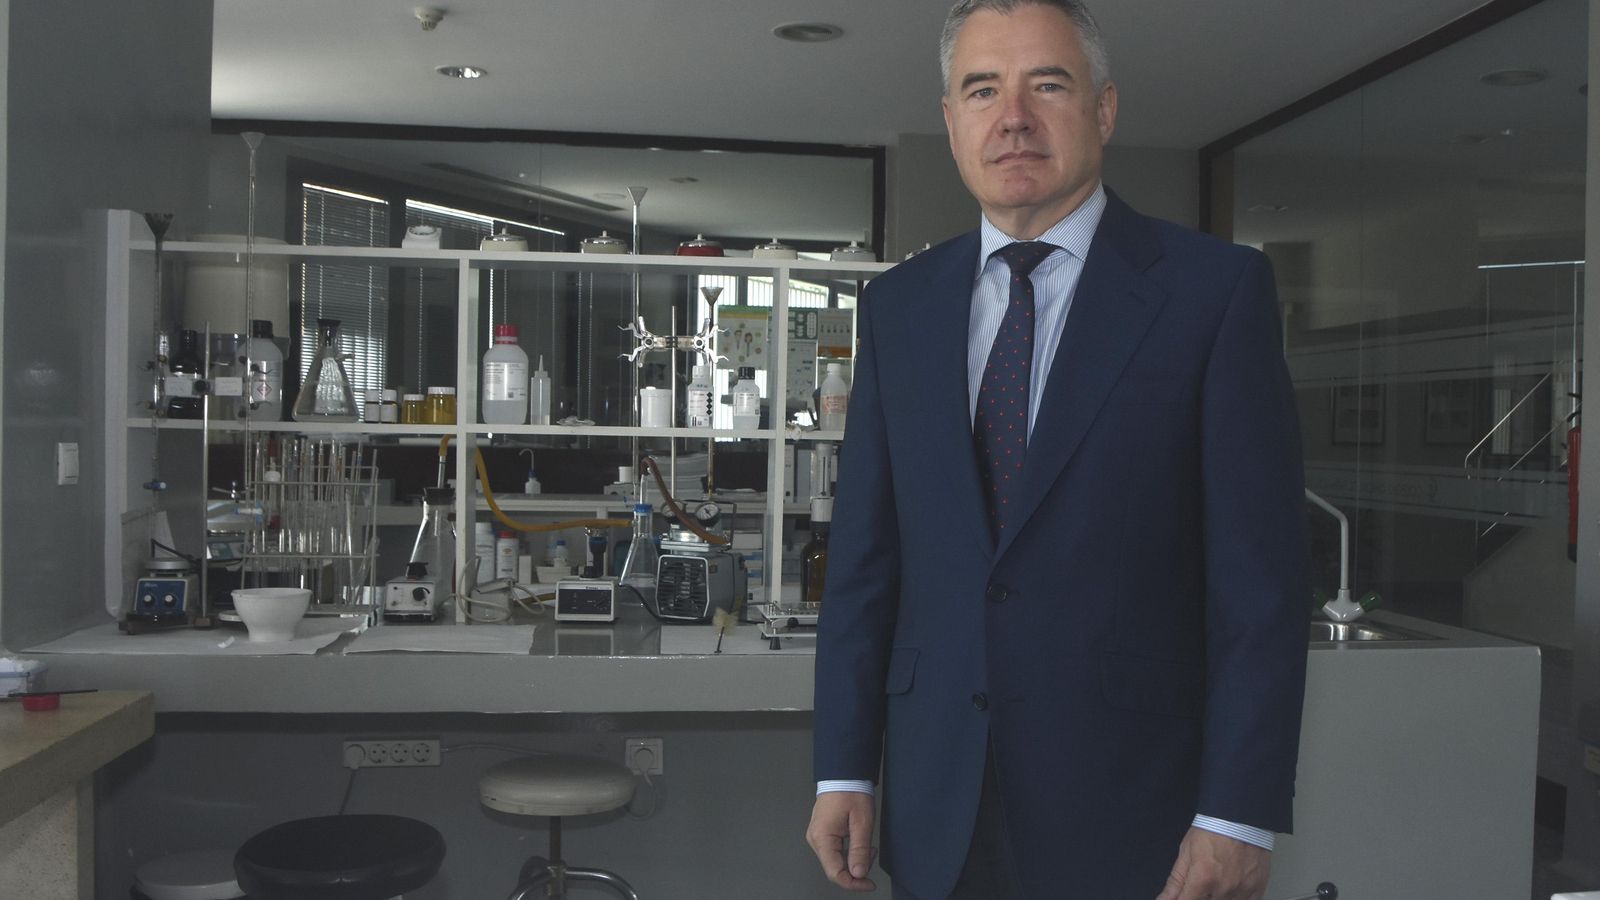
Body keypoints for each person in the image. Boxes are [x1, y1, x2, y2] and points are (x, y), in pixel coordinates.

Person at [805, 1, 1310, 898]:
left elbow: (1259, 586)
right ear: (952, 121)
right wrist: (844, 767)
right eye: (982, 90)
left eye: (1047, 85)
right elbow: (865, 564)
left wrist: (1237, 812)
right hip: (939, 802)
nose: (1013, 117)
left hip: (1134, 808)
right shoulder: (897, 309)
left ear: (1103, 109)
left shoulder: (1214, 294)